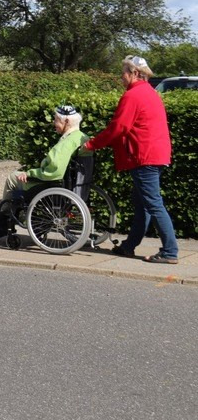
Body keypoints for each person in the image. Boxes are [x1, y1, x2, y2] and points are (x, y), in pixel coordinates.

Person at [83, 55, 178, 264]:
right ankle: (128, 246)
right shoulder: (150, 93)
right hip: (156, 155)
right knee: (143, 204)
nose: (121, 77)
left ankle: (170, 251)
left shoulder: (133, 95)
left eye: (123, 73)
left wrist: (91, 144)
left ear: (134, 73)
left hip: (144, 157)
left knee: (153, 204)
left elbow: (118, 127)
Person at [0, 105, 87, 237]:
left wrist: (30, 173)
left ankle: (2, 222)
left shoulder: (66, 143)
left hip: (50, 184)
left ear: (66, 121)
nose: (54, 123)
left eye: (56, 120)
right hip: (67, 184)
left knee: (13, 178)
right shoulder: (81, 136)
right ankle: (4, 221)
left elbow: (54, 172)